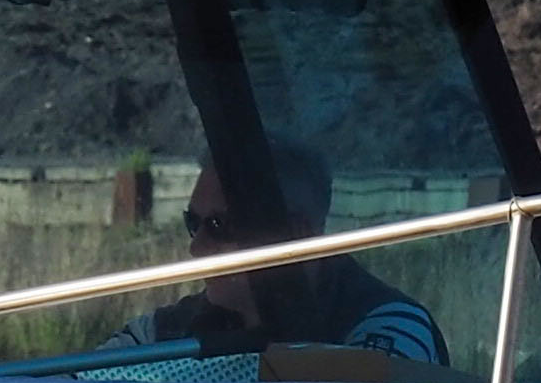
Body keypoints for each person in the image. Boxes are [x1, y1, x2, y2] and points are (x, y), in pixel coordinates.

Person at [144, 137, 444, 367]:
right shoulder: (167, 331)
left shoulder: (390, 326)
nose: (196, 247)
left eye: (219, 225)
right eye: (193, 222)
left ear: (297, 233)